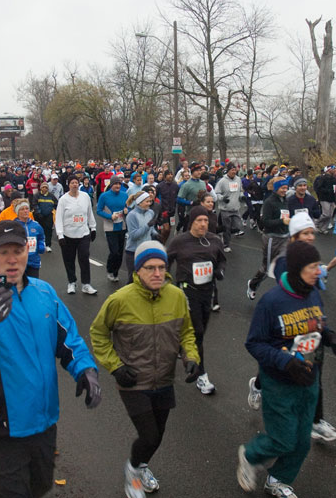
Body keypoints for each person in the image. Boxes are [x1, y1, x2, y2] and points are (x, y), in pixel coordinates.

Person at [0, 221, 102, 497]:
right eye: (3, 251)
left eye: (18, 251)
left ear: (27, 251)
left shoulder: (44, 293)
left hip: (43, 420)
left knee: (40, 487)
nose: (11, 259)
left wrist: (86, 370)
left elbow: (68, 340)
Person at [90, 240, 200, 498]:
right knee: (149, 435)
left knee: (158, 434)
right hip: (133, 380)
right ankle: (133, 473)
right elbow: (98, 333)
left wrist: (191, 357)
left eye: (161, 267)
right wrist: (116, 368)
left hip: (164, 378)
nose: (157, 273)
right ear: (138, 270)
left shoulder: (176, 296)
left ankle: (141, 466)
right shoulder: (119, 300)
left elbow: (186, 332)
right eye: (150, 268)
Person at [237, 242, 329, 498]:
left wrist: (333, 339)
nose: (318, 271)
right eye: (313, 267)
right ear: (298, 269)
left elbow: (318, 323)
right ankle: (250, 454)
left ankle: (278, 479)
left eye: (318, 266)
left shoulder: (312, 293)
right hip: (279, 381)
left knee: (301, 441)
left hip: (309, 377)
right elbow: (254, 343)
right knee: (283, 439)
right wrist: (284, 361)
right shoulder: (272, 302)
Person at [166, 205, 226, 395]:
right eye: (199, 220)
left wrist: (219, 271)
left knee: (201, 329)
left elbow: (222, 259)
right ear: (192, 222)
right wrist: (165, 283)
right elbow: (166, 261)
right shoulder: (180, 241)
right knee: (197, 330)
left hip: (207, 291)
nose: (203, 224)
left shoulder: (214, 240)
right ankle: (200, 374)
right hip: (187, 290)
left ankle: (181, 347)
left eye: (206, 220)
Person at [247, 177, 290, 300]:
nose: (284, 190)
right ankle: (252, 284)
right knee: (267, 269)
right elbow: (265, 222)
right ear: (276, 188)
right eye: (282, 188)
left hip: (285, 237)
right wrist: (282, 221)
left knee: (286, 266)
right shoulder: (269, 202)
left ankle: (284, 294)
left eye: (286, 188)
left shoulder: (286, 200)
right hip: (272, 238)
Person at [55, 175, 97, 295]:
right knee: (69, 259)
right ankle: (71, 282)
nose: (74, 185)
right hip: (68, 235)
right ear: (68, 184)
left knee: (84, 257)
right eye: (72, 183)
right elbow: (58, 218)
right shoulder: (63, 199)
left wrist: (93, 228)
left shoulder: (85, 197)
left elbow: (89, 213)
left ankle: (86, 284)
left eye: (76, 183)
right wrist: (60, 235)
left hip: (83, 233)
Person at [97, 176, 129, 282]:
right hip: (110, 227)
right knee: (114, 252)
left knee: (120, 252)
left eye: (119, 184)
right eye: (116, 184)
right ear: (111, 185)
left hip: (122, 226)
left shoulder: (125, 195)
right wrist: (110, 217)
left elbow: (128, 206)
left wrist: (126, 210)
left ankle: (116, 272)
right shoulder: (104, 196)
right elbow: (99, 210)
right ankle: (110, 269)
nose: (118, 186)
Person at [124, 191, 157, 283]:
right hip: (133, 251)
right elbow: (134, 235)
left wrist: (157, 235)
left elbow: (151, 229)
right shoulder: (132, 215)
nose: (149, 204)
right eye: (147, 202)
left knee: (146, 278)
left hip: (146, 250)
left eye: (150, 201)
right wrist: (147, 226)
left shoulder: (150, 212)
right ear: (139, 202)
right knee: (133, 279)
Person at [214, 163, 244, 252]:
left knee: (237, 226)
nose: (234, 172)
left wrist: (242, 196)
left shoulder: (238, 179)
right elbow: (217, 193)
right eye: (232, 170)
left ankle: (223, 234)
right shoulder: (222, 181)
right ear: (228, 171)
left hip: (236, 208)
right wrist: (223, 198)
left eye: (235, 170)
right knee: (226, 228)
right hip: (225, 209)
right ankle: (226, 245)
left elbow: (240, 190)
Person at [14, 199, 46, 279]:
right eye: (22, 209)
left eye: (27, 208)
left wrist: (41, 245)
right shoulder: (13, 226)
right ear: (17, 212)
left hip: (33, 261)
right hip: (18, 262)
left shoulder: (36, 225)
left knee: (33, 286)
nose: (25, 211)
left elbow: (41, 237)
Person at [313, 165, 336, 233]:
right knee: (326, 214)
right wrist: (327, 190)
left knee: (330, 215)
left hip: (332, 198)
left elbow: (334, 188)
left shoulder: (334, 179)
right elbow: (319, 188)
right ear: (329, 170)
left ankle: (323, 228)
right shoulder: (322, 178)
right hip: (324, 198)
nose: (335, 170)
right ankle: (316, 223)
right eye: (333, 169)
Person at [33, 183, 57, 253]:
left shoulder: (51, 196)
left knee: (48, 230)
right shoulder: (37, 195)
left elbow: (56, 204)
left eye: (46, 188)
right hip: (39, 216)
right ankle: (38, 244)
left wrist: (52, 210)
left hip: (49, 215)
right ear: (41, 188)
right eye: (43, 187)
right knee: (39, 230)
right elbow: (34, 204)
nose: (44, 189)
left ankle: (48, 245)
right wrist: (38, 212)